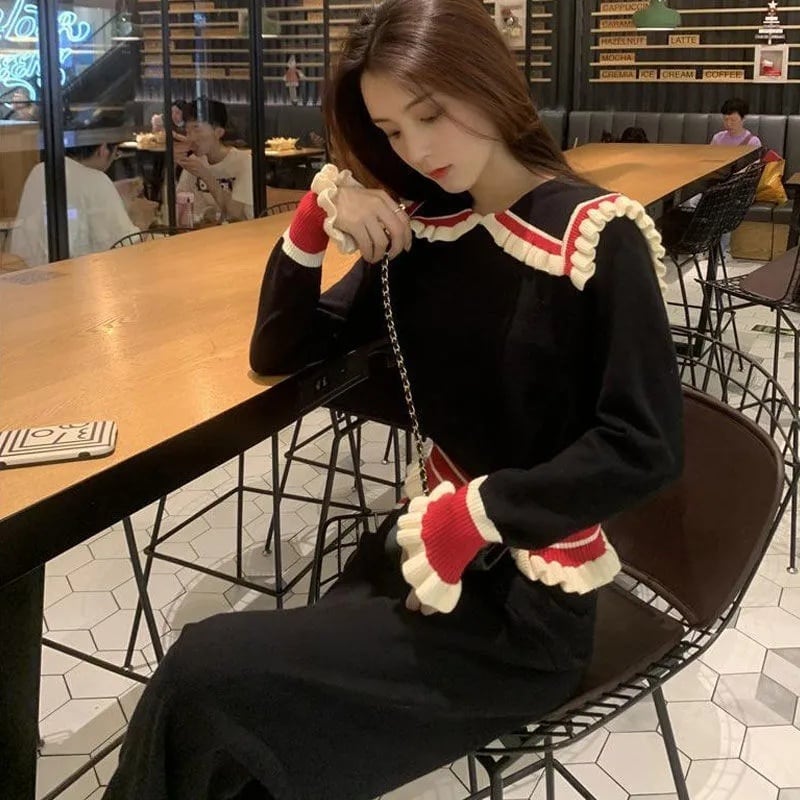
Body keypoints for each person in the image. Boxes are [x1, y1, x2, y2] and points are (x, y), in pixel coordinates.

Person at [103, 1, 683, 798]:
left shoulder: (592, 235)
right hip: (406, 561)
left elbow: (645, 445)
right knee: (234, 741)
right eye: (392, 130)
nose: (417, 149)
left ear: (488, 80)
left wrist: (477, 514)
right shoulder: (420, 230)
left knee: (205, 672)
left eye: (430, 113)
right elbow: (281, 351)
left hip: (520, 612)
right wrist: (314, 217)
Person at [9, 142, 156, 266]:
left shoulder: (41, 169)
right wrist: (142, 219)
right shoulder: (96, 180)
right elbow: (126, 248)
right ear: (103, 149)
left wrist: (113, 190)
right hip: (73, 279)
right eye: (116, 154)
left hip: (27, 272)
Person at [173, 98, 253, 223]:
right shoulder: (194, 162)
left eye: (196, 129)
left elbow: (237, 216)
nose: (191, 138)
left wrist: (205, 175)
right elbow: (180, 208)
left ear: (218, 132)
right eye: (187, 131)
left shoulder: (244, 161)